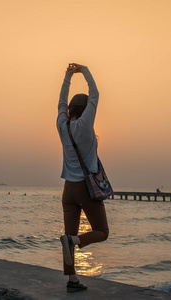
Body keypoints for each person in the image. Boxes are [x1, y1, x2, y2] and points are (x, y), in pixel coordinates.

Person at [56, 63, 109, 293]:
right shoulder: (86, 125)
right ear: (86, 109)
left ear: (69, 109)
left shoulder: (61, 124)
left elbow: (60, 101)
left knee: (68, 235)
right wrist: (84, 70)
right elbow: (95, 93)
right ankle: (76, 242)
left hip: (68, 189)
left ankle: (72, 281)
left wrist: (67, 76)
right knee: (102, 231)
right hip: (87, 189)